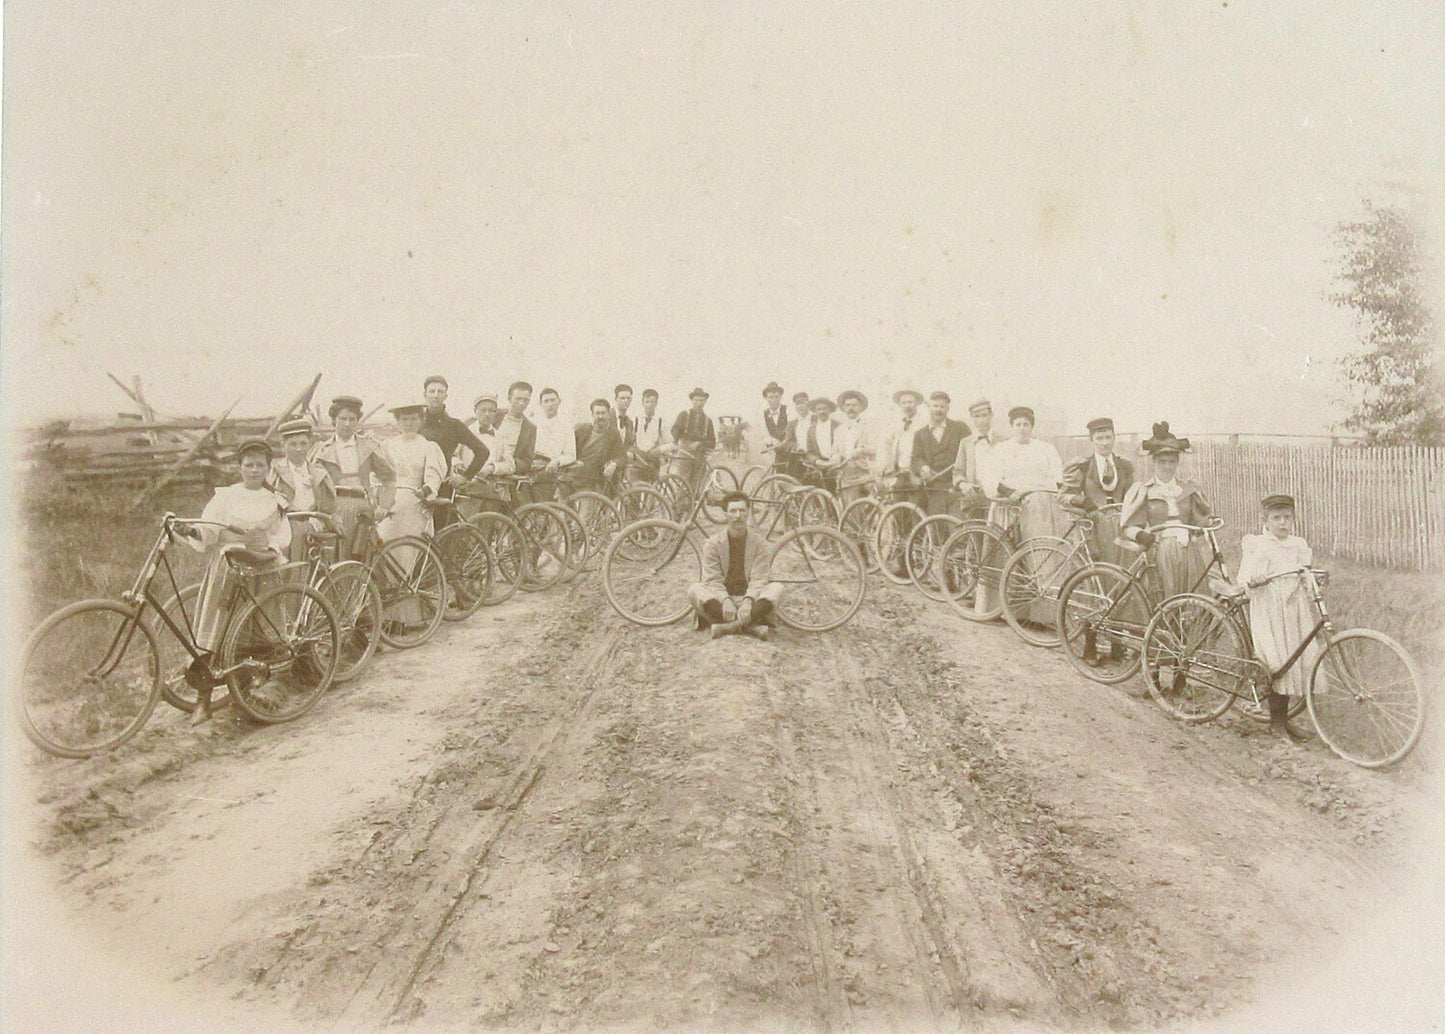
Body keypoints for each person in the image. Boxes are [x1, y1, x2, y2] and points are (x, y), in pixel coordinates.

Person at [183, 438, 292, 723]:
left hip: (261, 573)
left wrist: (271, 548)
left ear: (268, 469)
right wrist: (193, 532)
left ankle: (248, 692)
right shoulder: (226, 498)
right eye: (248, 465)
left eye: (260, 466)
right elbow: (208, 528)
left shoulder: (275, 500)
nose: (254, 470)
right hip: (228, 570)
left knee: (257, 634)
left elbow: (283, 536)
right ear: (240, 468)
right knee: (214, 633)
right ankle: (203, 703)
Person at [1234, 494, 1317, 739]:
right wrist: (1254, 580)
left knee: (1294, 660)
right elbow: (1245, 577)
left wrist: (1311, 578)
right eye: (1276, 518)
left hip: (1293, 609)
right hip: (1269, 607)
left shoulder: (1298, 544)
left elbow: (1305, 571)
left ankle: (1284, 719)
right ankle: (1276, 723)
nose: (1283, 523)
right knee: (1277, 662)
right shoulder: (1258, 544)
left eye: (1287, 517)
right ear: (1266, 521)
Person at [1120, 422, 1214, 599]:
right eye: (1162, 462)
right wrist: (1142, 535)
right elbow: (1129, 526)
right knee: (1165, 599)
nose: (1167, 467)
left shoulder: (1188, 489)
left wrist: (1204, 525)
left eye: (1172, 461)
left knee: (1194, 599)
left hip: (1188, 553)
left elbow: (1199, 522)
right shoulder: (1144, 491)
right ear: (1153, 462)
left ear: (1178, 462)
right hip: (1159, 553)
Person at [687, 491, 785, 641]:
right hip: (722, 602)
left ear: (748, 513)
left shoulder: (760, 544)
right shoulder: (713, 544)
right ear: (726, 514)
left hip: (751, 602)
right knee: (694, 590)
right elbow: (712, 580)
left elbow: (759, 579)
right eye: (733, 511)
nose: (738, 515)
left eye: (742, 510)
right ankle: (751, 627)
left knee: (777, 589)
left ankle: (728, 627)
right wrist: (726, 600)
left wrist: (748, 601)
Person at [310, 395, 397, 559]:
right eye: (342, 419)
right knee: (333, 557)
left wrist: (384, 505)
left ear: (358, 421)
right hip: (333, 509)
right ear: (334, 420)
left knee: (363, 555)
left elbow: (389, 478)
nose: (347, 424)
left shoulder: (368, 446)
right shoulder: (322, 450)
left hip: (362, 508)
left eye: (352, 419)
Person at [1061, 417, 1135, 564]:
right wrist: (1083, 501)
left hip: (1121, 522)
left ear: (1114, 438)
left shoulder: (1125, 465)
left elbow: (1131, 495)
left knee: (1125, 567)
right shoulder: (1083, 466)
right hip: (1094, 523)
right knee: (1100, 568)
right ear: (1091, 440)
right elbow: (1064, 495)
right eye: (1099, 438)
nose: (1104, 443)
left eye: (1108, 437)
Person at [992, 406, 1067, 539]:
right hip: (1010, 502)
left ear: (1032, 427)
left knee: (1038, 541)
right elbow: (992, 477)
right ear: (1012, 427)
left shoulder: (1046, 449)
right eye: (1018, 424)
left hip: (1040, 505)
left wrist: (1044, 490)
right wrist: (1008, 492)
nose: (1022, 428)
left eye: (1026, 424)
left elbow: (1057, 475)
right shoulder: (1001, 449)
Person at [378, 402, 447, 543]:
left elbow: (434, 476)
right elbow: (377, 473)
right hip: (389, 500)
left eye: (413, 419)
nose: (409, 423)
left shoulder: (428, 446)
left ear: (421, 420)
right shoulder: (388, 446)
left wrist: (426, 490)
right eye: (404, 419)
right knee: (383, 539)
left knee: (410, 544)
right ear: (397, 421)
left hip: (414, 501)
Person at [270, 418, 335, 561]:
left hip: (313, 527)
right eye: (293, 444)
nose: (299, 449)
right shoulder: (276, 472)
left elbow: (330, 505)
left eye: (303, 443)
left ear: (310, 444)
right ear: (283, 445)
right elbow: (271, 501)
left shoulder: (318, 472)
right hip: (286, 529)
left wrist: (329, 520)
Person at [420, 375, 489, 488]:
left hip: (442, 486)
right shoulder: (415, 423)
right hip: (414, 484)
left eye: (440, 392)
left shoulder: (454, 425)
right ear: (425, 395)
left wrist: (466, 476)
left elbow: (482, 451)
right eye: (432, 391)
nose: (436, 395)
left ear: (445, 396)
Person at [910, 391, 970, 515]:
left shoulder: (960, 428)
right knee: (936, 527)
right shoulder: (920, 434)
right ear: (929, 407)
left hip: (957, 488)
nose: (938, 410)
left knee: (958, 527)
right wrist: (923, 467)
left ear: (947, 408)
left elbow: (971, 452)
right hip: (934, 489)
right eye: (935, 406)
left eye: (942, 407)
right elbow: (916, 459)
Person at [954, 398, 1001, 517]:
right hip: (974, 498)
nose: (981, 420)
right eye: (976, 416)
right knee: (973, 532)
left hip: (998, 499)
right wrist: (963, 485)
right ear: (972, 418)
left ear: (991, 415)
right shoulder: (966, 443)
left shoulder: (1002, 440)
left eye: (984, 415)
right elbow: (957, 472)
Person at [532, 387, 577, 500]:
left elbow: (571, 455)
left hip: (554, 468)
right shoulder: (533, 423)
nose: (550, 404)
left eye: (553, 400)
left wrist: (557, 461)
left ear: (559, 401)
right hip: (532, 468)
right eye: (546, 401)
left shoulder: (566, 425)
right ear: (540, 404)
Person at [486, 381, 538, 477]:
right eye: (518, 399)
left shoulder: (530, 428)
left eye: (526, 400)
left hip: (506, 474)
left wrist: (509, 465)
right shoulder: (494, 415)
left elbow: (527, 461)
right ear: (509, 398)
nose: (522, 403)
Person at [574, 398, 626, 491]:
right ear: (592, 415)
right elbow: (569, 449)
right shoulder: (582, 430)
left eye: (603, 413)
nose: (600, 416)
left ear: (609, 414)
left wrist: (614, 464)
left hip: (596, 479)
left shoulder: (613, 433)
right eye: (597, 413)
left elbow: (621, 456)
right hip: (576, 474)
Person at [833, 390, 875, 505]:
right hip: (848, 476)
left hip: (867, 473)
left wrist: (862, 450)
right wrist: (835, 457)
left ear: (861, 407)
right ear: (843, 408)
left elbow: (877, 448)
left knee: (878, 502)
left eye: (854, 405)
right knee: (851, 510)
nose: (851, 408)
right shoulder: (839, 430)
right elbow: (834, 451)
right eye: (847, 405)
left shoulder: (869, 426)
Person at [877, 388, 925, 489]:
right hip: (899, 471)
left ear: (916, 403)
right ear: (899, 404)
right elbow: (885, 443)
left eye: (910, 402)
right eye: (903, 403)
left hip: (916, 470)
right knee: (898, 499)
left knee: (915, 500)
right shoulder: (896, 423)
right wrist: (884, 465)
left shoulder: (923, 423)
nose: (907, 406)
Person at [670, 387, 716, 487]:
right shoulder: (684, 415)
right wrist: (684, 441)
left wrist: (700, 443)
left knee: (697, 487)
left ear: (705, 401)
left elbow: (712, 442)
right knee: (683, 486)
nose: (699, 403)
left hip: (699, 458)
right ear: (692, 400)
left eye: (702, 400)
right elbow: (675, 431)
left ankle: (694, 502)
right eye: (696, 400)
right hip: (684, 456)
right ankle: (681, 503)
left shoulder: (708, 420)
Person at [629, 388, 670, 482]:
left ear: (656, 403)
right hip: (637, 460)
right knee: (635, 489)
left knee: (650, 490)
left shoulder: (660, 422)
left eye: (652, 402)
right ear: (642, 403)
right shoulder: (635, 420)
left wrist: (659, 449)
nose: (650, 405)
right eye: (647, 402)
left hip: (652, 461)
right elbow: (628, 440)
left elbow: (670, 443)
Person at [803, 396, 840, 490]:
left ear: (830, 410)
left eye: (825, 408)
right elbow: (809, 452)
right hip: (819, 466)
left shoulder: (838, 427)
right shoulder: (811, 430)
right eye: (819, 409)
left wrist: (835, 461)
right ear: (815, 411)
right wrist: (817, 461)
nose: (821, 412)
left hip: (836, 466)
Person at [777, 391, 811, 477]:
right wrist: (797, 447)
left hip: (815, 458)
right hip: (799, 458)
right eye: (797, 404)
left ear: (808, 403)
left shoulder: (816, 420)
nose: (800, 406)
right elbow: (787, 442)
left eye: (802, 402)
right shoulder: (792, 423)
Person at [760, 381, 789, 464]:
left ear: (780, 397)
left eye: (776, 397)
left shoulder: (787, 410)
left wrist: (785, 441)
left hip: (787, 445)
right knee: (775, 468)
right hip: (774, 448)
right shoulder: (764, 414)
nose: (774, 400)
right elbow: (765, 434)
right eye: (771, 397)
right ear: (766, 398)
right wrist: (773, 441)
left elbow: (792, 428)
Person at [614, 384, 637, 449]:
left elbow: (629, 444)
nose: (626, 401)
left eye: (628, 398)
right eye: (622, 398)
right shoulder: (607, 416)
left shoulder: (630, 422)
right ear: (616, 399)